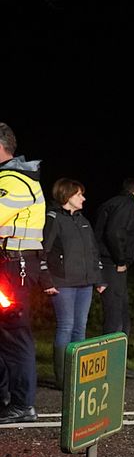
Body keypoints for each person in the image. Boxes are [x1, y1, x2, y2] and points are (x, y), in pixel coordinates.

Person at [38, 179, 105, 388]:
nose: (83, 198)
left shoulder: (83, 221)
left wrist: (98, 278)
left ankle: (77, 377)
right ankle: (63, 379)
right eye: (79, 194)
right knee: (66, 326)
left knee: (80, 328)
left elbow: (93, 252)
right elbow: (43, 251)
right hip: (63, 282)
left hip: (84, 283)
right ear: (67, 196)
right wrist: (46, 280)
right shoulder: (54, 219)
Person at [0, 123, 46, 424]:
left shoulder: (14, 180)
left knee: (14, 335)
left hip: (12, 267)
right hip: (10, 265)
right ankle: (9, 398)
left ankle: (22, 404)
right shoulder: (13, 178)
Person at [93, 177, 134, 338]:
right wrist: (121, 260)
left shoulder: (110, 203)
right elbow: (114, 233)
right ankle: (111, 358)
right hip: (112, 265)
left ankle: (117, 358)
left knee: (118, 311)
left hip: (106, 263)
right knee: (116, 315)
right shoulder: (128, 204)